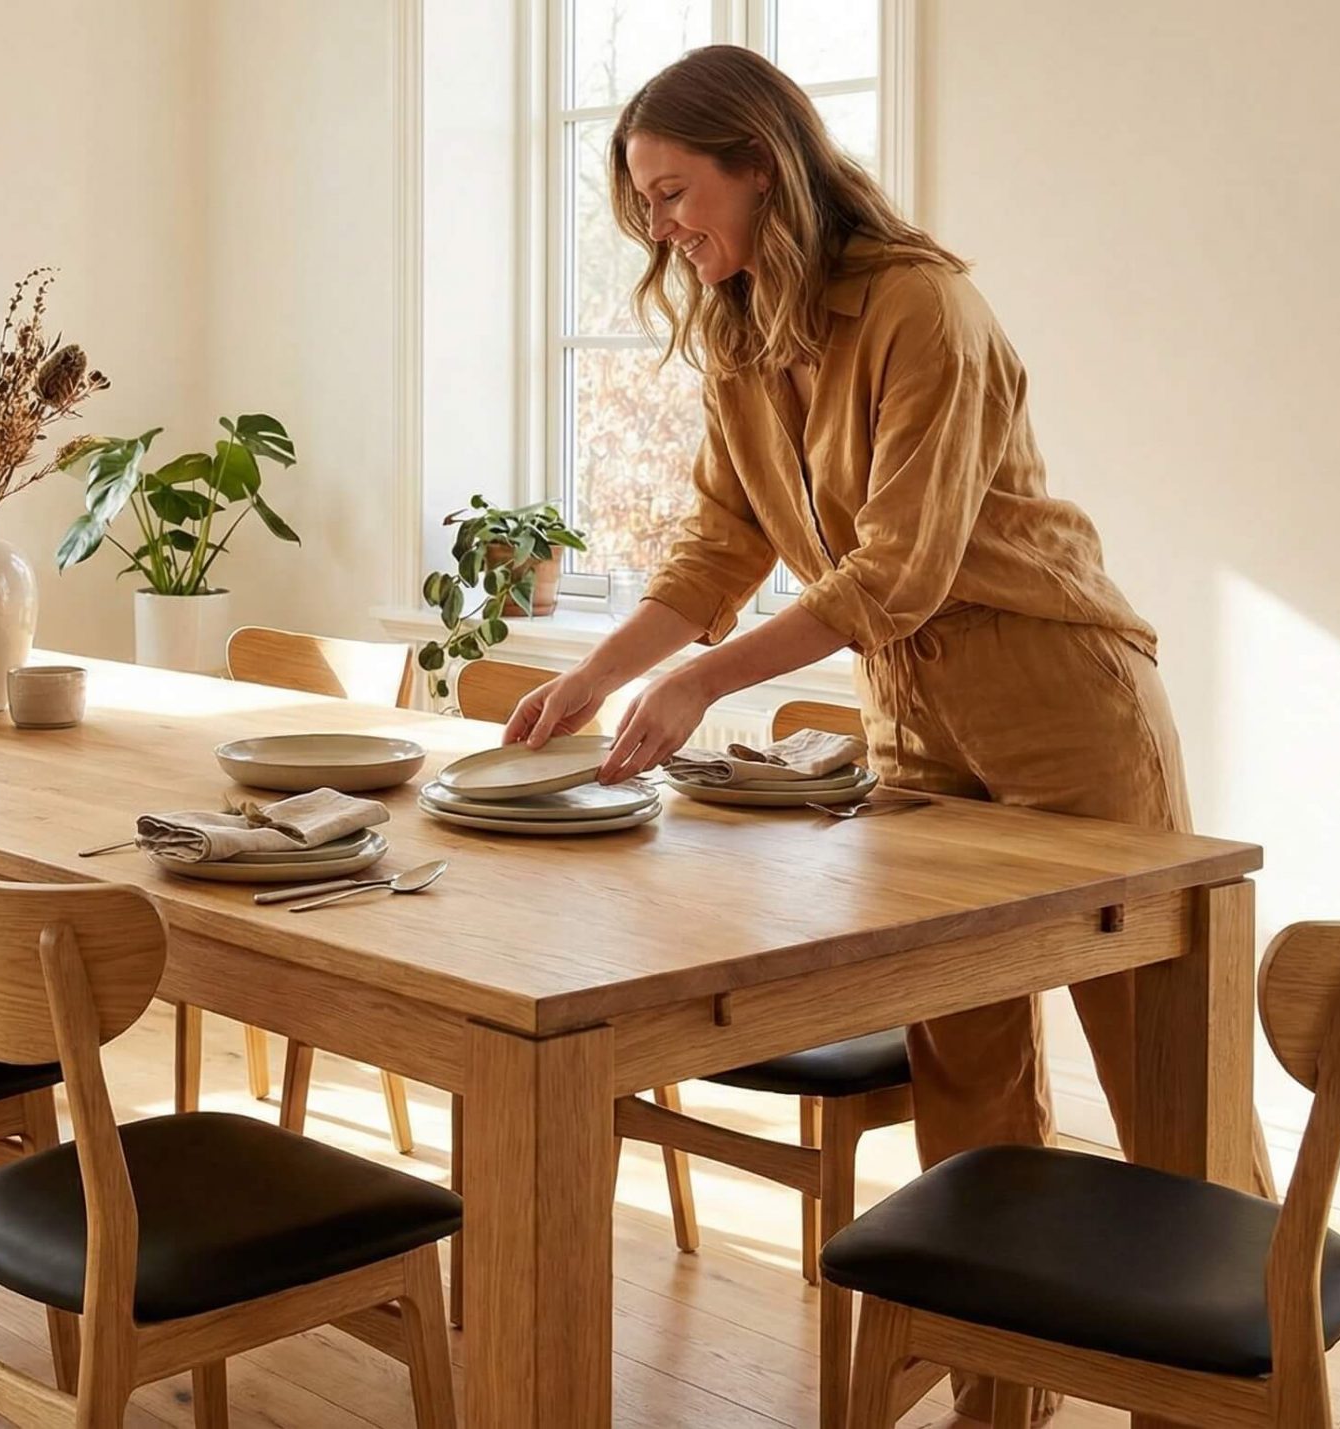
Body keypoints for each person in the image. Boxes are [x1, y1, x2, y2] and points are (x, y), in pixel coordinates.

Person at [502, 45, 1267, 1427]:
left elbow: (896, 568)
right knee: (964, 1067)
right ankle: (998, 1394)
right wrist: (598, 678)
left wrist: (704, 684)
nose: (667, 230)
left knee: (1165, 1074)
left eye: (678, 194)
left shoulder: (926, 309)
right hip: (913, 733)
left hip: (1065, 708)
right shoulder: (740, 336)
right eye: (649, 208)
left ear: (760, 160)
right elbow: (721, 543)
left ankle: (1234, 1389)